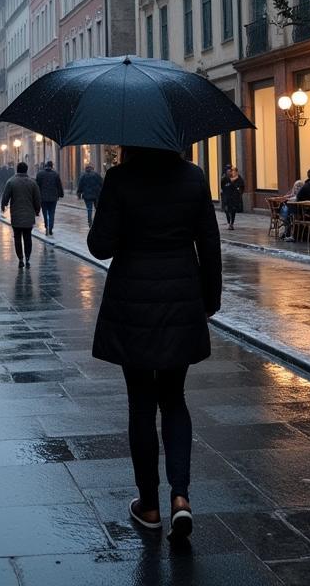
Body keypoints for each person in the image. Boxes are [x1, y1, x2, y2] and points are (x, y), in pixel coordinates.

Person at [87, 145, 221, 542]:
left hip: (134, 303)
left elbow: (100, 246)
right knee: (174, 397)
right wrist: (208, 301)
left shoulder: (120, 178)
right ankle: (181, 496)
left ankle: (149, 505)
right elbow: (209, 244)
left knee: (141, 403)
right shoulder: (193, 176)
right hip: (181, 298)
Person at [1, 161, 41, 267]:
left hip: (16, 214)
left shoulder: (11, 181)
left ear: (17, 170)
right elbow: (37, 199)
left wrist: (3, 206)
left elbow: (5, 197)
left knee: (17, 237)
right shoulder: (32, 183)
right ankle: (28, 258)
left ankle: (20, 259)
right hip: (29, 214)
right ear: (26, 170)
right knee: (28, 237)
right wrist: (37, 210)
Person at [36, 160, 64, 236]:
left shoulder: (40, 174)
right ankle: (51, 228)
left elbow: (37, 186)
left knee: (45, 213)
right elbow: (59, 185)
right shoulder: (55, 174)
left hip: (43, 197)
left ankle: (46, 226)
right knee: (52, 213)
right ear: (52, 166)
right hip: (53, 197)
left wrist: (36, 195)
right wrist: (61, 194)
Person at [220, 166, 244, 230]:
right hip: (226, 197)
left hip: (233, 198)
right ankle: (229, 223)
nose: (230, 172)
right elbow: (223, 186)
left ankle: (231, 224)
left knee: (233, 211)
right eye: (229, 171)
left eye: (230, 171)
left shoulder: (236, 178)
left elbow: (241, 185)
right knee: (227, 210)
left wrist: (239, 192)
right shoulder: (224, 178)